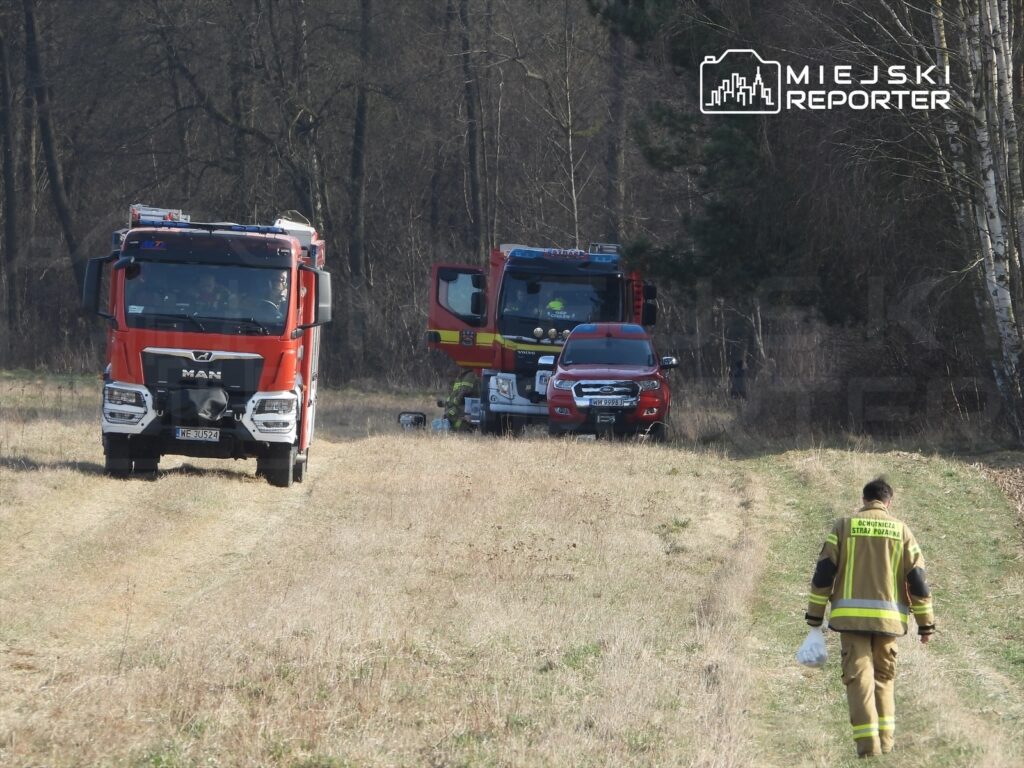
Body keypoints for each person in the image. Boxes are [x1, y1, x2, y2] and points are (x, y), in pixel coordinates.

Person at [805, 478, 935, 758]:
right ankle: (886, 745)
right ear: (889, 502)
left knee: (859, 677)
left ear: (864, 500)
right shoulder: (902, 531)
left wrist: (815, 618)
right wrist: (926, 625)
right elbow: (918, 582)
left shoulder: (844, 527)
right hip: (888, 622)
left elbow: (824, 574)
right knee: (884, 679)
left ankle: (868, 749)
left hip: (851, 621)